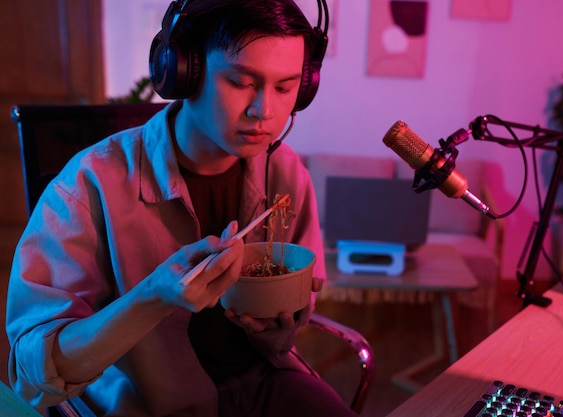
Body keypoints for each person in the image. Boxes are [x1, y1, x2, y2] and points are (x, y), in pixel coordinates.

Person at [6, 0, 359, 416]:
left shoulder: (284, 175)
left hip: (264, 383)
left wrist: (278, 322)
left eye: (284, 88)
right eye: (242, 82)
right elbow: (33, 376)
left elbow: (292, 321)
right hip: (146, 402)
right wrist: (153, 297)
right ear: (184, 71)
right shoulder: (89, 185)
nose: (264, 111)